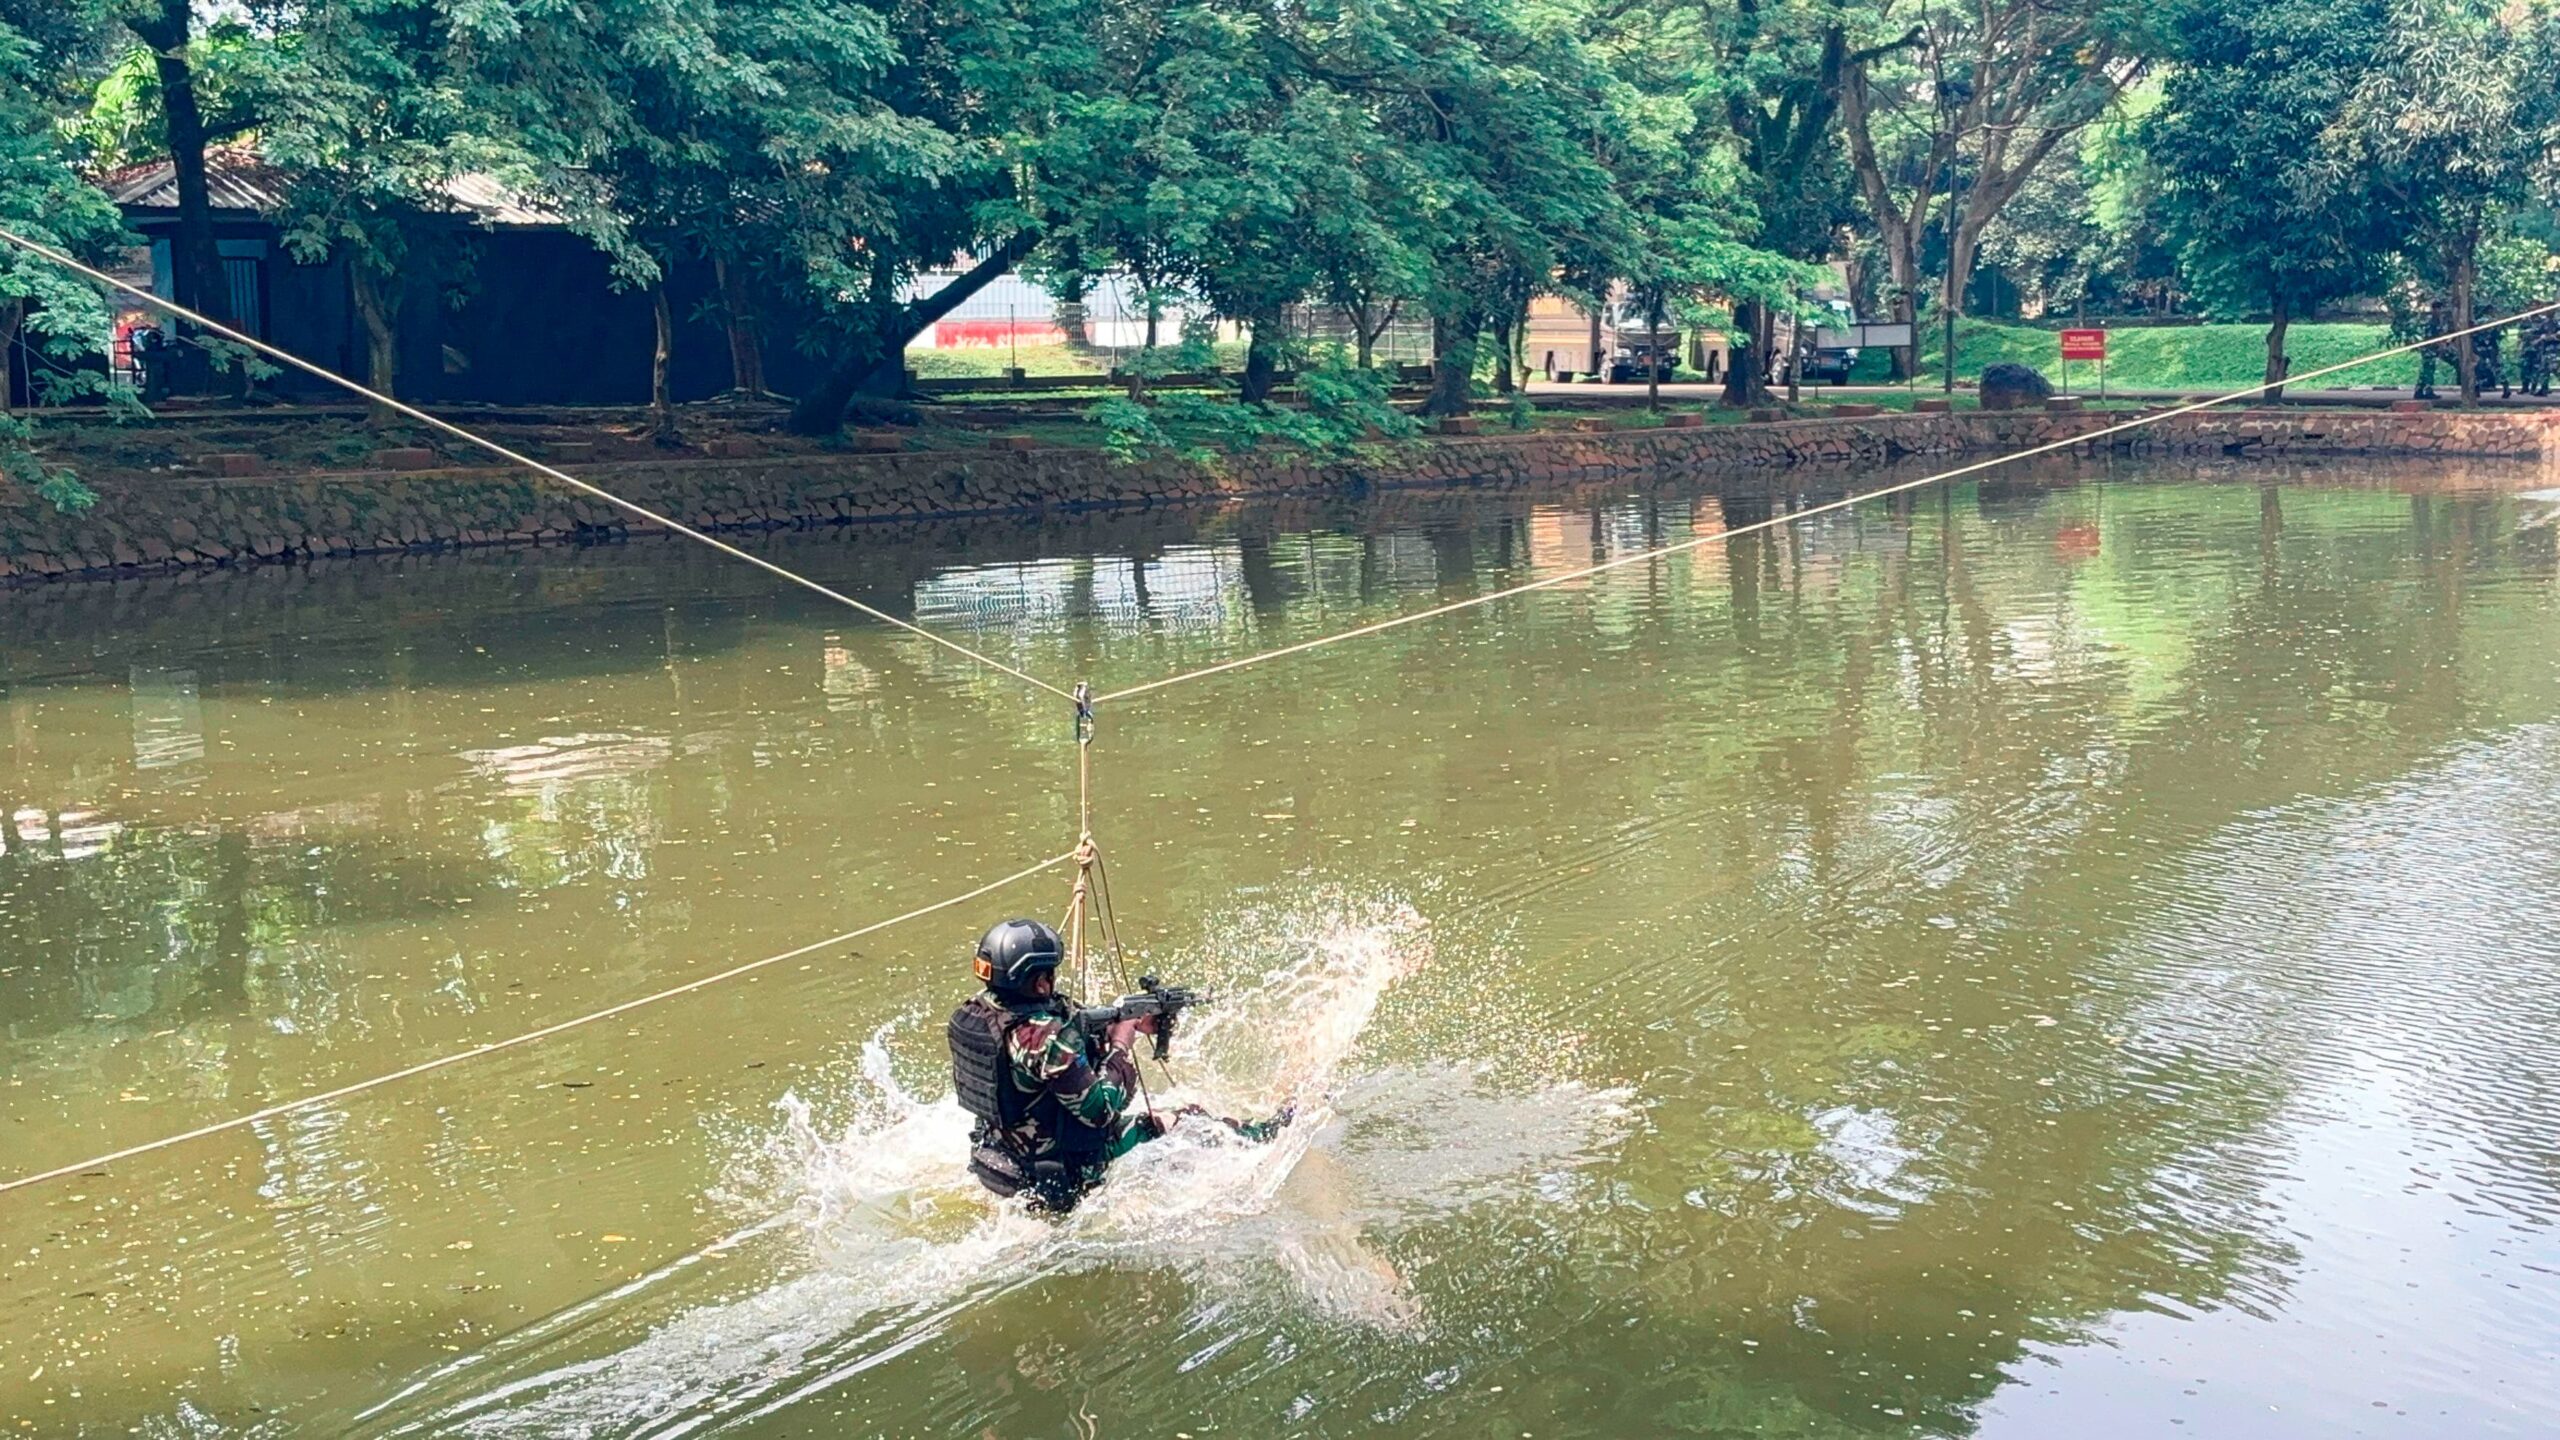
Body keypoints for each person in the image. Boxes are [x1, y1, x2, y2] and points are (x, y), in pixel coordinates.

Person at [947, 918, 1160, 1212]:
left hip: (1002, 1160)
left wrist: (1110, 1024)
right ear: (1040, 982)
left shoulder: (978, 1014)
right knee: (1191, 1122)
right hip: (1061, 1174)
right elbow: (1101, 1111)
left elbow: (1050, 1037)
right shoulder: (1048, 1041)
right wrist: (1122, 1044)